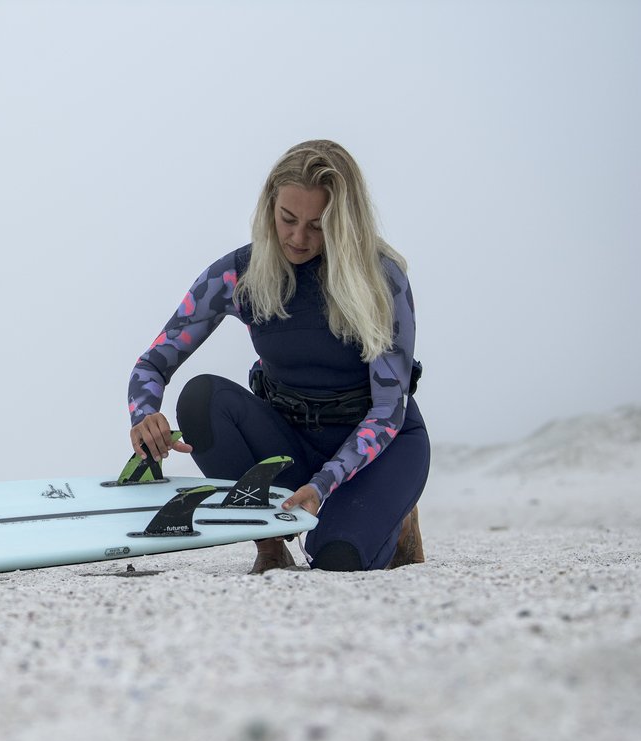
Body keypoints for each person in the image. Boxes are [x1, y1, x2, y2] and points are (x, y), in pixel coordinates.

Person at [126, 139, 429, 573]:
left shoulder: (381, 278)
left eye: (318, 225)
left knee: (336, 560)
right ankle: (269, 542)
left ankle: (396, 523)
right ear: (270, 205)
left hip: (378, 449)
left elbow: (387, 411)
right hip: (291, 440)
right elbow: (152, 363)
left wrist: (323, 484)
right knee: (201, 399)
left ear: (343, 222)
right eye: (287, 219)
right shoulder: (235, 275)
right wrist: (144, 416)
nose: (298, 238)